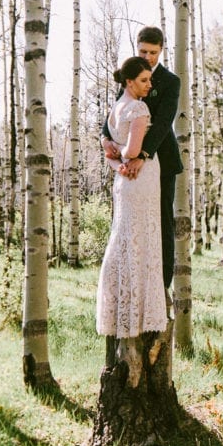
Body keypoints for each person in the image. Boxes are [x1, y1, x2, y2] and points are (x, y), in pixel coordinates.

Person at [101, 26, 182, 290]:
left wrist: (142, 155)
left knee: (162, 222)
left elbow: (163, 123)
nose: (147, 57)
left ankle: (162, 285)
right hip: (130, 161)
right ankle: (133, 282)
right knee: (132, 222)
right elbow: (116, 111)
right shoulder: (131, 73)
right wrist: (105, 138)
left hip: (162, 160)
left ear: (161, 51)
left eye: (153, 52)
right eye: (143, 51)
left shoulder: (170, 81)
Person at [96, 57, 168, 339]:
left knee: (126, 237)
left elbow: (112, 154)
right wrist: (123, 152)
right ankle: (138, 313)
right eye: (144, 80)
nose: (149, 85)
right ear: (129, 82)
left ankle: (122, 308)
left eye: (150, 80)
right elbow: (133, 151)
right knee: (141, 239)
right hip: (141, 180)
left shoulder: (116, 108)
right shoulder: (138, 108)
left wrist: (116, 157)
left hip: (124, 180)